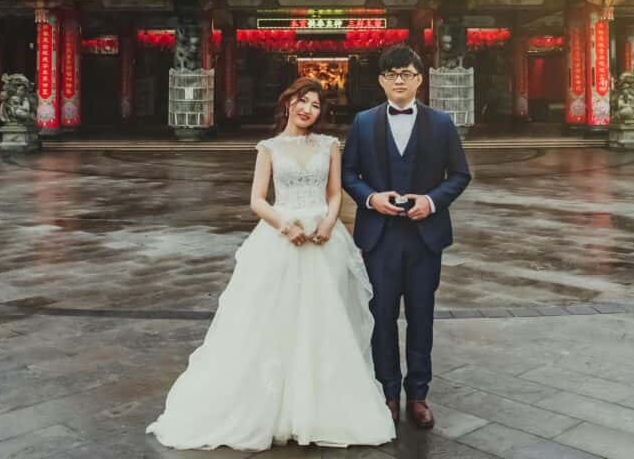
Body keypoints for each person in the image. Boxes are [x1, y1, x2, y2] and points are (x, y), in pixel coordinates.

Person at [146, 77, 395, 450]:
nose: (306, 108)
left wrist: (329, 223)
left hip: (322, 239)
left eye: (314, 104)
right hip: (281, 236)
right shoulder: (269, 148)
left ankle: (320, 407)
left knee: (323, 318)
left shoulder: (329, 145)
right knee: (270, 317)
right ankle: (270, 406)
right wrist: (284, 224)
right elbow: (258, 200)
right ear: (287, 102)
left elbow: (334, 193)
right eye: (301, 100)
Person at [342, 45, 471, 430]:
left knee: (421, 316)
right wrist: (370, 198)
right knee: (380, 317)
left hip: (424, 238)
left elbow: (460, 175)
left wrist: (431, 202)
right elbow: (349, 174)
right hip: (379, 238)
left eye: (407, 74)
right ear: (381, 80)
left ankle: (418, 394)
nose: (399, 80)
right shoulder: (363, 123)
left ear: (419, 79)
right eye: (392, 74)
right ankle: (387, 392)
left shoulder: (442, 124)